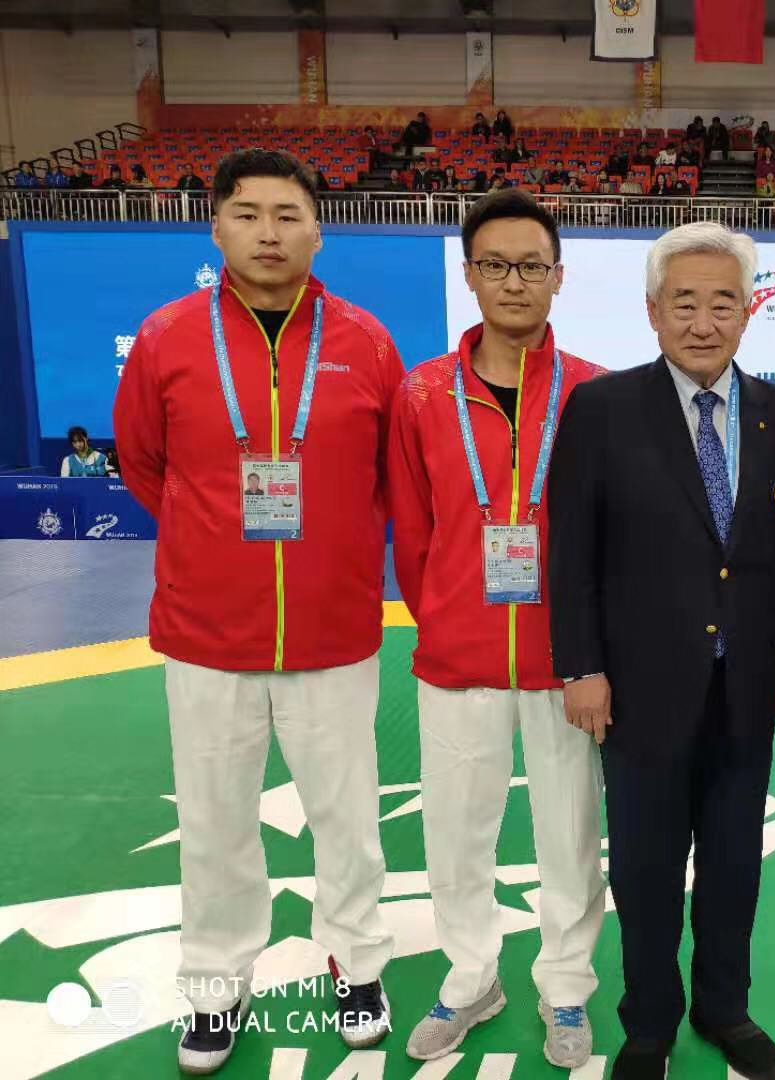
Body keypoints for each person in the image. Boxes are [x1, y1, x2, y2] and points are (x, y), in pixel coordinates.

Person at [113, 149, 404, 1075]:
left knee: (348, 820)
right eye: (247, 215)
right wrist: (214, 543)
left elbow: (388, 479)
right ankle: (214, 986)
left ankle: (357, 967)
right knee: (213, 825)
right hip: (207, 633)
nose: (268, 233)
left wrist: (331, 557)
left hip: (333, 631)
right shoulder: (167, 338)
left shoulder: (366, 342)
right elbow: (144, 464)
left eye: (287, 215)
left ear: (319, 231)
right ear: (217, 229)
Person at [547, 221, 775, 1080]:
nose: (704, 323)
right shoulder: (601, 409)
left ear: (748, 312)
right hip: (637, 689)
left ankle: (724, 1008)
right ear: (653, 311)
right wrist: (582, 666)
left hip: (747, 685)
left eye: (723, 304)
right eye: (685, 304)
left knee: (735, 863)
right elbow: (572, 553)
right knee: (645, 866)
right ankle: (649, 1023)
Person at [388, 190, 608, 1068]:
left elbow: (615, 537)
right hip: (458, 658)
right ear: (469, 274)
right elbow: (412, 529)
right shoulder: (420, 393)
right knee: (455, 832)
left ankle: (566, 986)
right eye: (495, 265)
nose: (514, 282)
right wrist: (446, 614)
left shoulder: (596, 392)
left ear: (559, 277)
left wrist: (593, 651)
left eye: (531, 266)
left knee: (570, 836)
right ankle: (472, 975)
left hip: (566, 661)